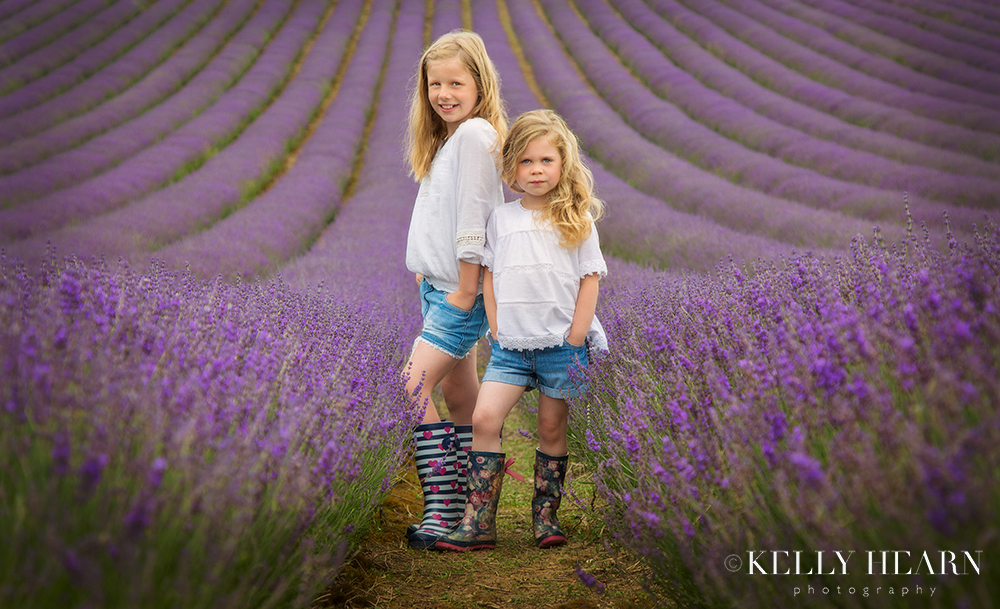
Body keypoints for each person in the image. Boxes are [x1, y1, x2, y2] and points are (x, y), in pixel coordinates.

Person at [435, 109, 608, 552]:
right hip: (510, 347)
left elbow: (590, 280)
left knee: (551, 429)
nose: (536, 170)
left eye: (546, 161)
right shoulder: (501, 219)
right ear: (512, 168)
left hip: (559, 347)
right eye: (527, 162)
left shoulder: (577, 218)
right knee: (484, 418)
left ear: (563, 164)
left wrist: (574, 339)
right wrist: (494, 325)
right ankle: (479, 522)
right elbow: (489, 276)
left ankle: (545, 517)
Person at [401, 30, 507, 550]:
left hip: (457, 292)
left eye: (456, 82)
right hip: (440, 286)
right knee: (460, 396)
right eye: (434, 83)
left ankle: (442, 512)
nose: (443, 93)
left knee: (408, 388)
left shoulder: (475, 135)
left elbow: (473, 222)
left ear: (479, 84)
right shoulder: (451, 138)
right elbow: (441, 215)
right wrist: (427, 266)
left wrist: (465, 289)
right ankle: (476, 517)